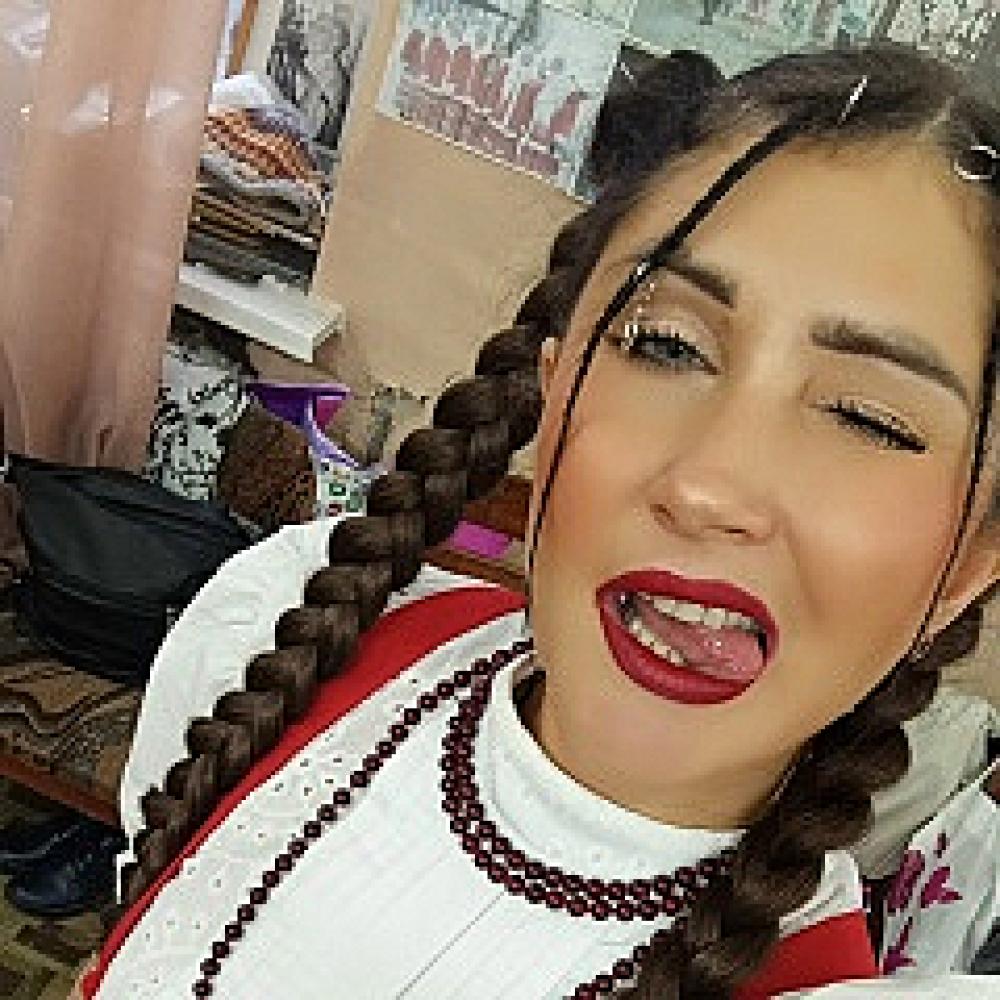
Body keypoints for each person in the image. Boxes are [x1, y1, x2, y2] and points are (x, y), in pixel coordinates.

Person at [81, 44, 1000, 998]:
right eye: (667, 346)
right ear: (554, 387)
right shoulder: (283, 630)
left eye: (868, 419)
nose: (710, 487)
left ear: (969, 568)